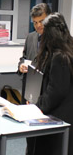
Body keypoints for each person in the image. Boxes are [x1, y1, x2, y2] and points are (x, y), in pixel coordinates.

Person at [30, 12, 73, 155]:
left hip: (59, 116)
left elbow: (56, 91)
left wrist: (38, 106)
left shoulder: (59, 56)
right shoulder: (69, 49)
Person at [17, 3, 51, 155]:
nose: (38, 26)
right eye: (35, 22)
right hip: (29, 91)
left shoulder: (56, 40)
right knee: (30, 134)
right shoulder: (31, 37)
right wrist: (21, 66)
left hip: (46, 92)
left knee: (45, 137)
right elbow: (24, 57)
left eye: (41, 22)